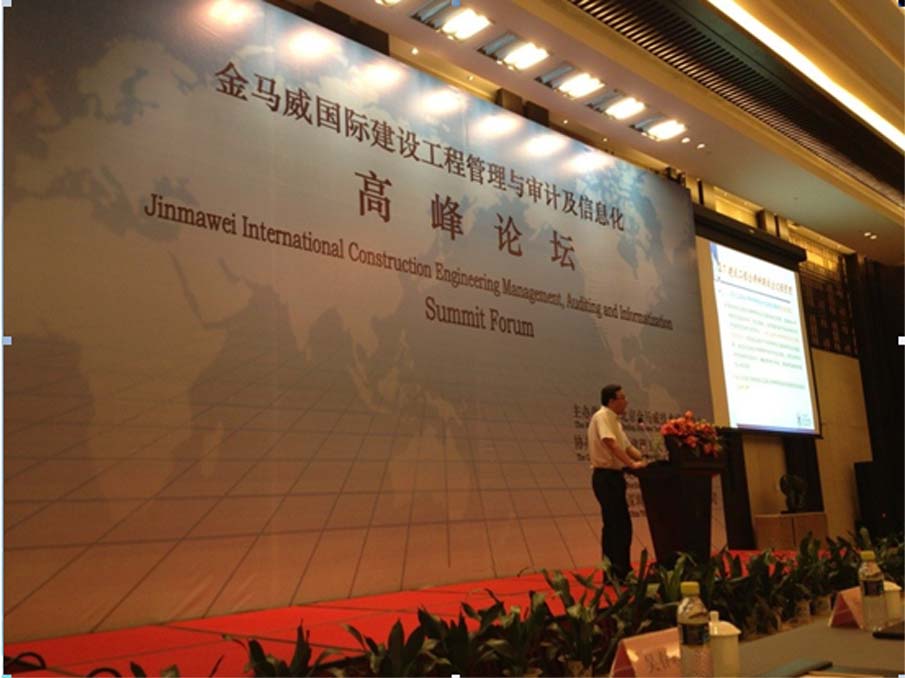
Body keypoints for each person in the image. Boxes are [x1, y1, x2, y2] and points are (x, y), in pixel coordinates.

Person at [588, 384, 646, 581]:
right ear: (612, 401)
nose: (626, 401)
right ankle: (616, 573)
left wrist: (646, 459)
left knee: (620, 526)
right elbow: (610, 443)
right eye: (623, 397)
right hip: (605, 478)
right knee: (615, 526)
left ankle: (619, 571)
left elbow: (628, 447)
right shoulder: (602, 416)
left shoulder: (615, 422)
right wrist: (632, 464)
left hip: (614, 478)